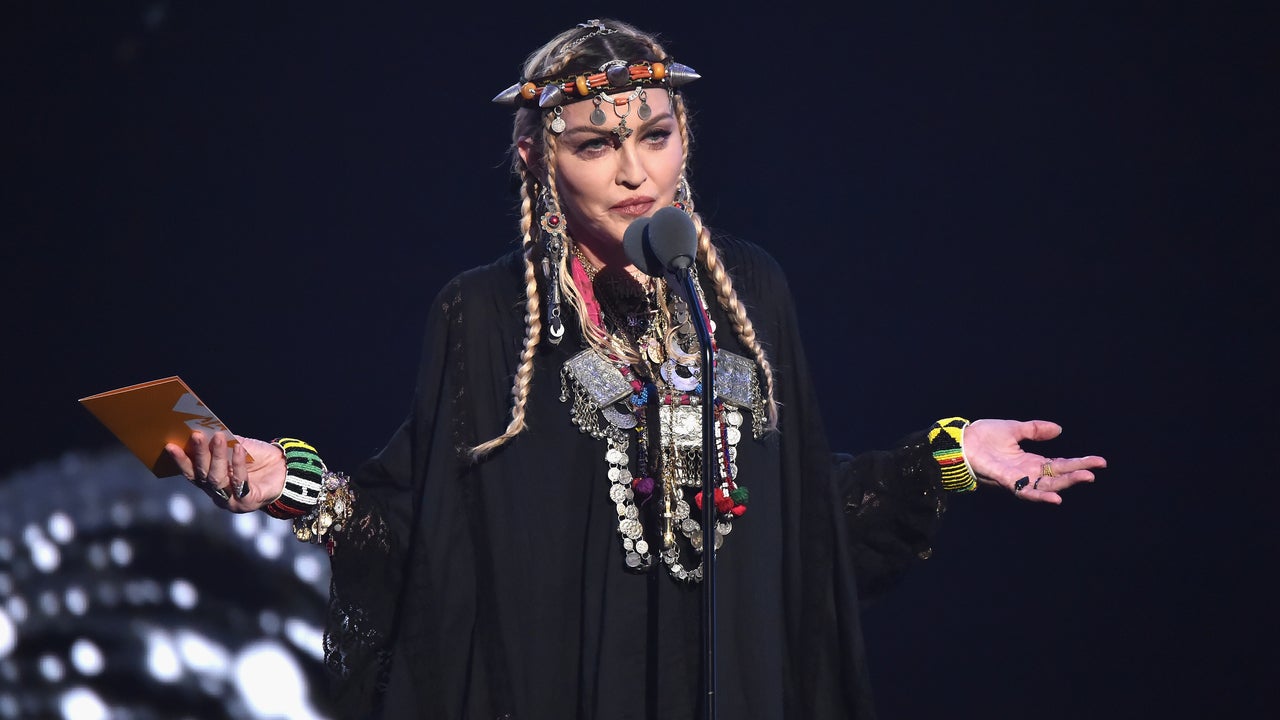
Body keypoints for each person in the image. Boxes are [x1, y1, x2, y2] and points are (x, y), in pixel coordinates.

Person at [164, 18, 1106, 720]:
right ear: (536, 159)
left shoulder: (747, 291)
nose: (635, 172)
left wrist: (946, 460)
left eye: (655, 135)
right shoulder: (487, 317)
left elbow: (798, 524)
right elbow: (424, 539)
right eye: (596, 145)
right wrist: (285, 482)